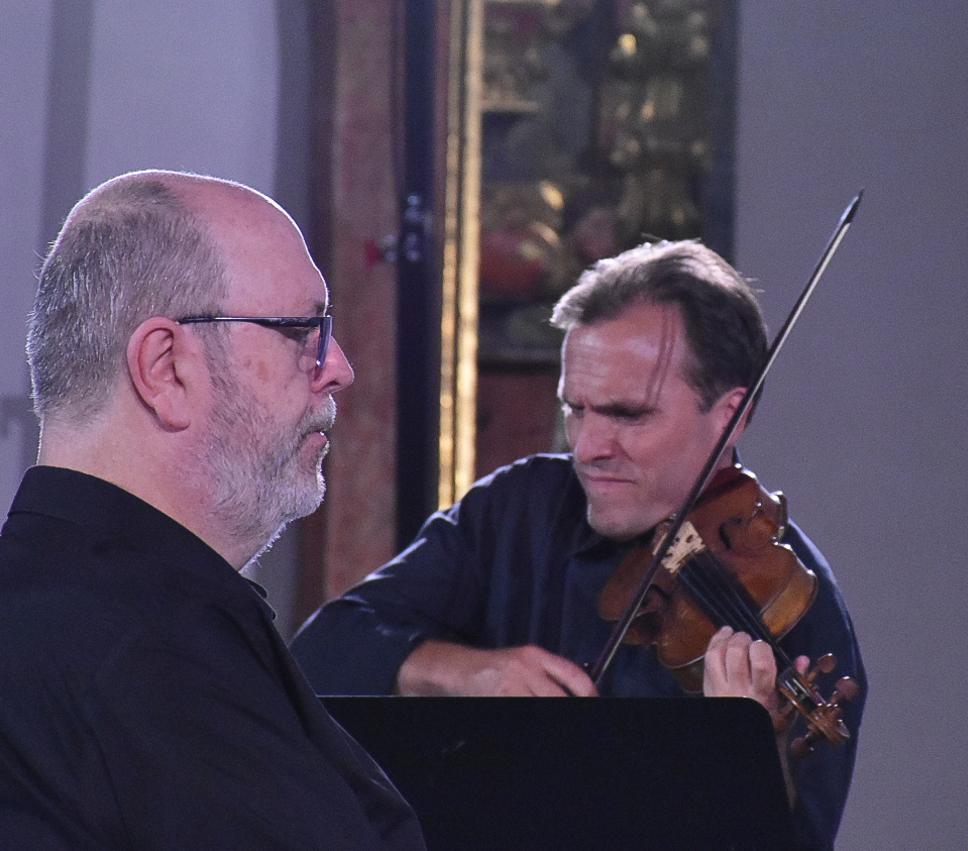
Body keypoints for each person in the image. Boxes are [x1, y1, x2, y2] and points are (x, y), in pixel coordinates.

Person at [291, 239, 866, 849]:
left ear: (732, 414)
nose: (589, 447)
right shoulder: (521, 508)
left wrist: (732, 749)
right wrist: (468, 673)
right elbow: (323, 652)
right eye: (576, 409)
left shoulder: (802, 617)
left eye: (627, 415)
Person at [0, 170, 425, 849]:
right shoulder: (150, 657)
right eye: (301, 330)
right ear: (166, 368)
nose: (337, 364)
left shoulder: (74, 608)